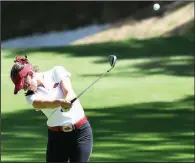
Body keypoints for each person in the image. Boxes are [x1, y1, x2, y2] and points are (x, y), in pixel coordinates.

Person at [10, 55, 93, 162]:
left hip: (81, 133)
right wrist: (60, 102)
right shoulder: (30, 96)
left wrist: (67, 100)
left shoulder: (56, 71)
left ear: (31, 74)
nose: (24, 88)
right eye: (22, 87)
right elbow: (43, 104)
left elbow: (69, 92)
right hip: (57, 138)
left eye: (25, 84)